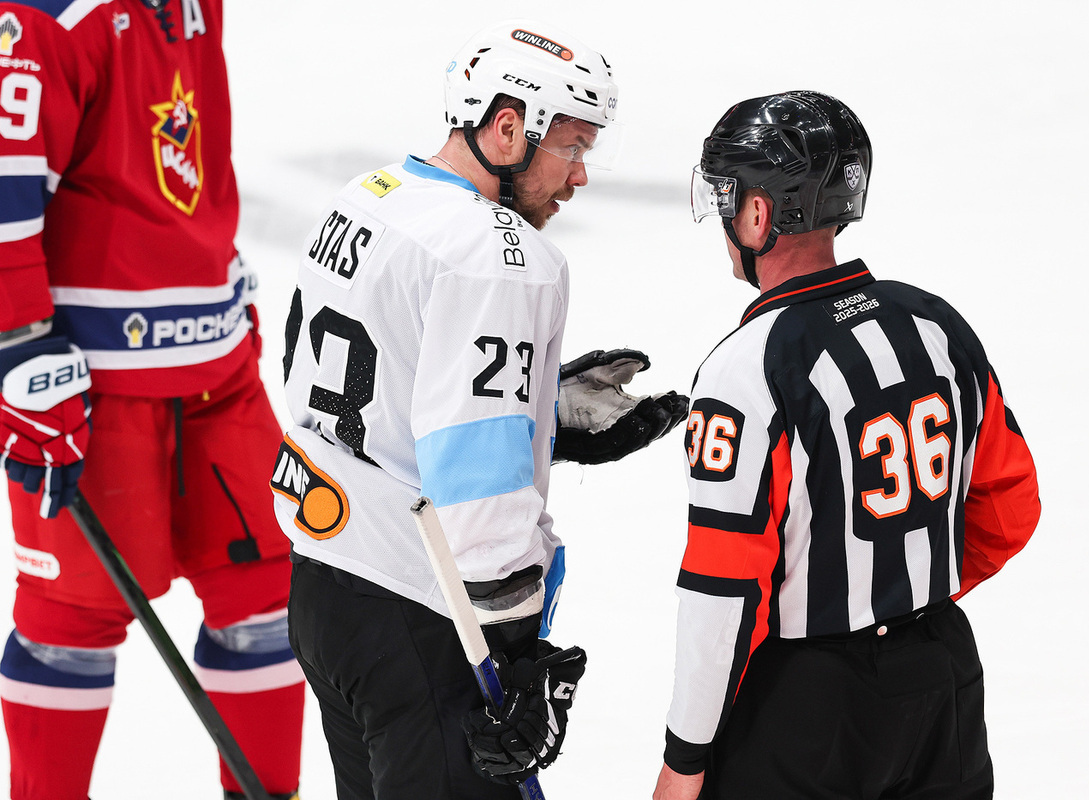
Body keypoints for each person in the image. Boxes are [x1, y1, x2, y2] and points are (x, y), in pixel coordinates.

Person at [275, 19, 685, 800]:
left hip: (324, 591)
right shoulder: (499, 256)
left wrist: (540, 415)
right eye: (572, 146)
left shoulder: (366, 198)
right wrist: (516, 654)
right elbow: (480, 491)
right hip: (425, 615)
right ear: (508, 127)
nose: (580, 175)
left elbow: (363, 379)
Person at [653, 91, 1041, 800]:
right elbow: (1010, 504)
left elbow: (724, 588)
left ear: (759, 215)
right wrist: (906, 592)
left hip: (809, 711)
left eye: (728, 198)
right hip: (943, 683)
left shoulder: (745, 371)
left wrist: (685, 758)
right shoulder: (935, 326)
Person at [0, 1, 304, 798]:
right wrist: (17, 347)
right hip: (92, 383)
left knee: (269, 594)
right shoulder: (42, 19)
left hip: (218, 366)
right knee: (70, 620)